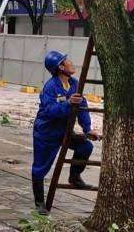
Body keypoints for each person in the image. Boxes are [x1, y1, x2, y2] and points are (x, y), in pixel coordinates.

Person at [31, 50, 100, 215]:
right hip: (46, 132)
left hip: (64, 131)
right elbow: (50, 110)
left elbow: (82, 107)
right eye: (66, 61)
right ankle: (40, 202)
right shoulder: (50, 87)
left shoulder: (75, 84)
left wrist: (87, 128)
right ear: (60, 67)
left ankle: (75, 177)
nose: (70, 62)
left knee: (85, 147)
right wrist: (68, 103)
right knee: (40, 167)